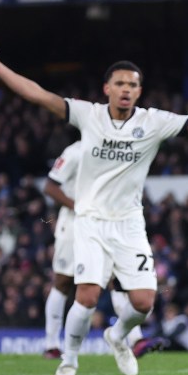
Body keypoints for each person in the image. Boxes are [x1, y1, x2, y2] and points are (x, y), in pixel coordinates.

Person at [0, 36, 188, 375]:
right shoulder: (88, 115)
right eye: (120, 83)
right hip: (90, 220)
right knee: (88, 294)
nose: (126, 89)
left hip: (128, 223)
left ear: (139, 92)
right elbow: (37, 94)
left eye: (133, 85)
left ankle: (117, 335)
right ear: (106, 88)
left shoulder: (152, 122)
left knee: (143, 303)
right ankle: (70, 358)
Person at [42, 141, 144, 358]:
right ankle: (51, 344)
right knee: (63, 282)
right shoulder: (75, 151)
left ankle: (136, 339)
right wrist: (78, 207)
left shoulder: (114, 152)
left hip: (105, 225)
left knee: (117, 279)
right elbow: (50, 187)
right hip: (73, 224)